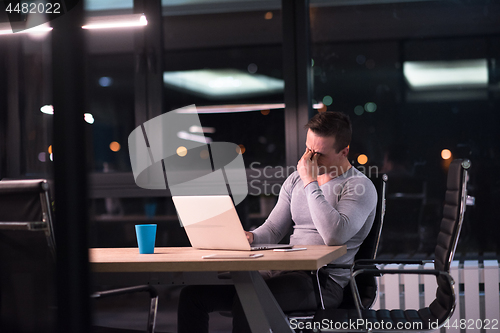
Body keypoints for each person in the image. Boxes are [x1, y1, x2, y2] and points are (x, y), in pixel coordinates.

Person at [177, 111, 377, 333]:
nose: (308, 159)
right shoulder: (294, 180)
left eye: (319, 154)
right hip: (281, 271)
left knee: (249, 302)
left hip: (322, 282)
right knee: (193, 296)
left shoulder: (359, 186)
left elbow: (334, 236)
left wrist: (310, 181)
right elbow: (273, 229)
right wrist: (250, 237)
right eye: (308, 150)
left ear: (344, 151)